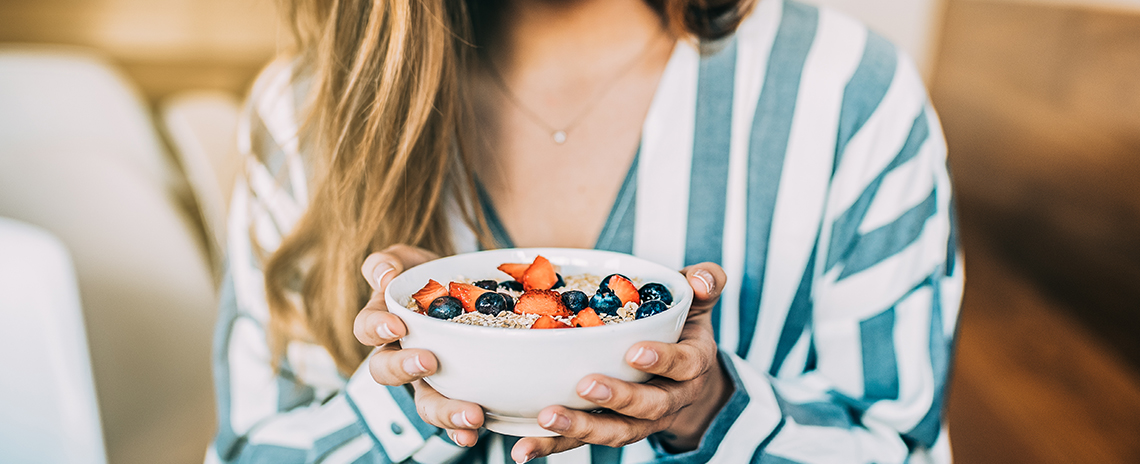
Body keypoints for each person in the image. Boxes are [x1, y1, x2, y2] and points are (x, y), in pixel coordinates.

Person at [208, 0, 963, 462]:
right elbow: (255, 451)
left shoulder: (849, 92)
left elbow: (895, 447)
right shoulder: (306, 111)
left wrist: (707, 410)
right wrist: (407, 390)